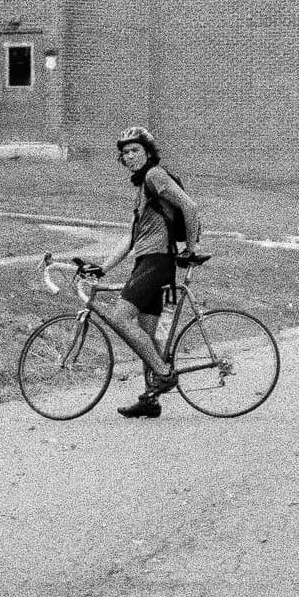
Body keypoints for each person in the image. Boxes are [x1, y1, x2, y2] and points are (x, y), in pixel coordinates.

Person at [97, 126, 202, 419]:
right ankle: (151, 400)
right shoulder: (143, 187)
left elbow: (189, 206)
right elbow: (131, 239)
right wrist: (103, 268)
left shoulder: (155, 176)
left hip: (157, 262)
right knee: (146, 334)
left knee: (119, 318)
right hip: (146, 261)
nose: (129, 156)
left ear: (148, 152)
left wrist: (190, 250)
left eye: (135, 151)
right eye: (125, 153)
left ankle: (163, 373)